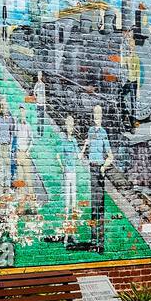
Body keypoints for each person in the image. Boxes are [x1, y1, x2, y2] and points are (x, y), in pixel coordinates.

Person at [84, 104, 114, 252]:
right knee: (93, 207)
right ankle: (92, 240)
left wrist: (103, 167)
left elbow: (110, 156)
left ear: (101, 117)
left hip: (100, 171)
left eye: (99, 114)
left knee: (100, 207)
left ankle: (100, 243)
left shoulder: (103, 133)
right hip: (92, 169)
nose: (97, 117)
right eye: (95, 114)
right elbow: (86, 148)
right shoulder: (90, 131)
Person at [57, 113, 82, 224]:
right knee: (67, 195)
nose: (70, 128)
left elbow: (79, 156)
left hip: (74, 172)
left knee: (73, 195)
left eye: (71, 126)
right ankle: (66, 218)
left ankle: (72, 220)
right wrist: (62, 167)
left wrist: (85, 145)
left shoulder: (74, 141)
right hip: (67, 172)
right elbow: (57, 155)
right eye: (68, 125)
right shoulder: (64, 141)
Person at [13, 106, 34, 189]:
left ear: (25, 113)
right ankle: (21, 197)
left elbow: (32, 140)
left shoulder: (28, 126)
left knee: (28, 177)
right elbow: (14, 139)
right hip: (19, 153)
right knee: (20, 177)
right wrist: (16, 153)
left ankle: (31, 197)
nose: (21, 113)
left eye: (23, 111)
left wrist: (28, 151)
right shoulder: (17, 126)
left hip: (25, 153)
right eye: (20, 111)